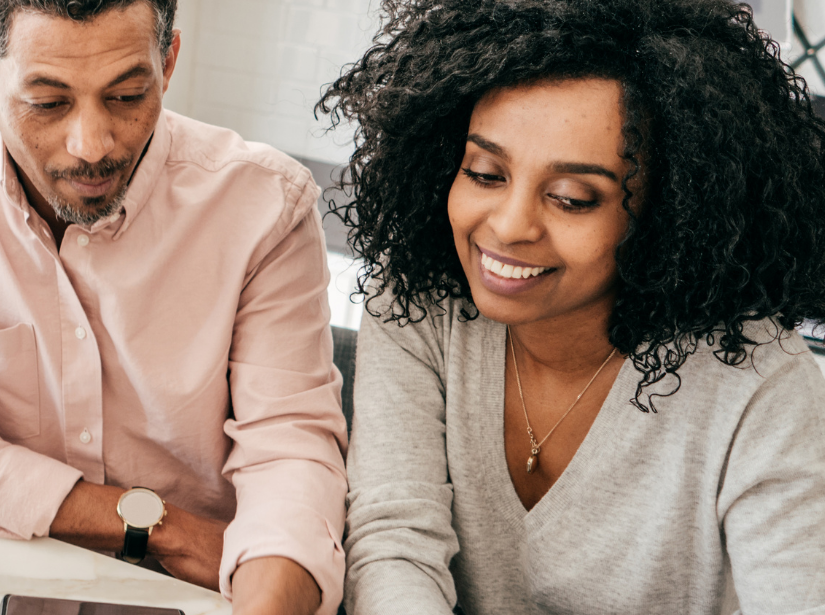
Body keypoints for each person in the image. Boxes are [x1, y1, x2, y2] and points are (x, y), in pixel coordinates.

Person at [319, 0, 825, 613]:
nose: (508, 227)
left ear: (666, 218)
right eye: (484, 172)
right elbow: (394, 546)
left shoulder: (760, 385)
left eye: (571, 198)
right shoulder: (419, 307)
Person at [0, 0, 347, 613]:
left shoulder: (265, 208)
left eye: (125, 95)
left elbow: (290, 455)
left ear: (167, 63)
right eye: (48, 103)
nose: (90, 146)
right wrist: (156, 526)